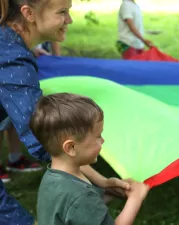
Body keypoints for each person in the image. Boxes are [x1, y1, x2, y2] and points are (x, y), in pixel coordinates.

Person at [0, 0, 131, 224]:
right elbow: (46, 136)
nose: (69, 20)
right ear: (28, 13)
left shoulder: (10, 46)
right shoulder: (13, 59)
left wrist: (100, 182)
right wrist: (101, 181)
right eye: (62, 12)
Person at [31, 93, 150, 224]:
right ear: (71, 147)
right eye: (98, 136)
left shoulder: (52, 179)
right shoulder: (80, 196)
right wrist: (135, 199)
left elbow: (75, 212)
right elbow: (81, 204)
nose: (103, 140)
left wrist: (106, 188)